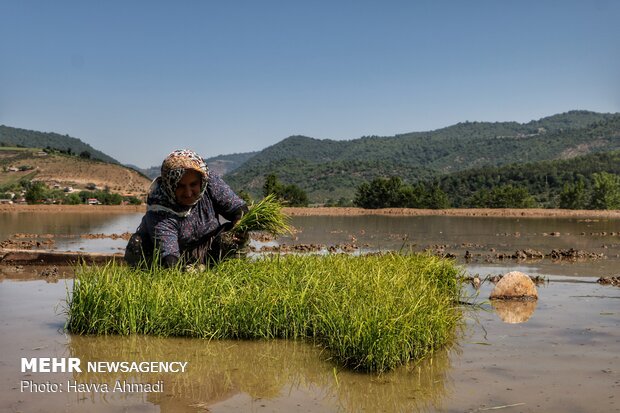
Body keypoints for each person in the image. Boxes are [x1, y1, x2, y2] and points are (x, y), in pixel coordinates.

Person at [125, 149, 248, 268]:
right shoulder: (159, 208)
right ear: (170, 185)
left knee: (234, 232)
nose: (188, 193)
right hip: (172, 255)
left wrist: (240, 224)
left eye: (193, 184)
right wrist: (178, 271)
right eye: (180, 186)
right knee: (137, 242)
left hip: (208, 248)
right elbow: (169, 253)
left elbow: (238, 208)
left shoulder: (210, 182)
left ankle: (224, 269)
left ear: (202, 181)